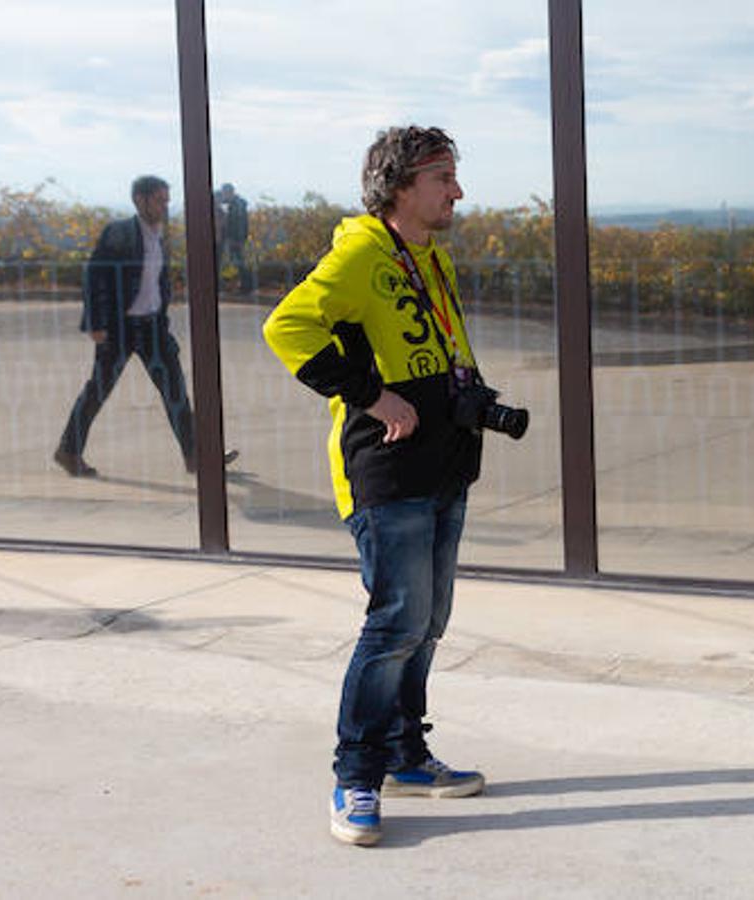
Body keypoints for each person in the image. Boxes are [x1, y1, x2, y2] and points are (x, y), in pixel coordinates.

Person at [264, 125, 490, 846]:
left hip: (444, 463)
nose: (456, 190)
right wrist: (371, 395)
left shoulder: (426, 256)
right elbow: (288, 326)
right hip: (387, 471)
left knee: (425, 626)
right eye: (442, 177)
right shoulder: (362, 250)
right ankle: (355, 777)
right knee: (394, 624)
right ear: (400, 186)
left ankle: (405, 755)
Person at [53, 175, 233, 478]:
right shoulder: (119, 233)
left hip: (152, 328)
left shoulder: (160, 235)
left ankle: (196, 457)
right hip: (119, 328)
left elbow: (156, 281)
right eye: (160, 199)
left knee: (175, 390)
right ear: (140, 199)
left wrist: (162, 319)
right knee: (97, 390)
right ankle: (68, 452)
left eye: (167, 200)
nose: (165, 205)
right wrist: (95, 324)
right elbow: (94, 278)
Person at [215, 182, 252, 293]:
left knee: (238, 262)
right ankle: (246, 286)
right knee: (239, 262)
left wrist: (233, 238)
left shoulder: (235, 206)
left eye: (224, 194)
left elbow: (235, 224)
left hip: (235, 239)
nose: (223, 197)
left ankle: (247, 286)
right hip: (238, 239)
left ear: (229, 192)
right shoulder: (238, 204)